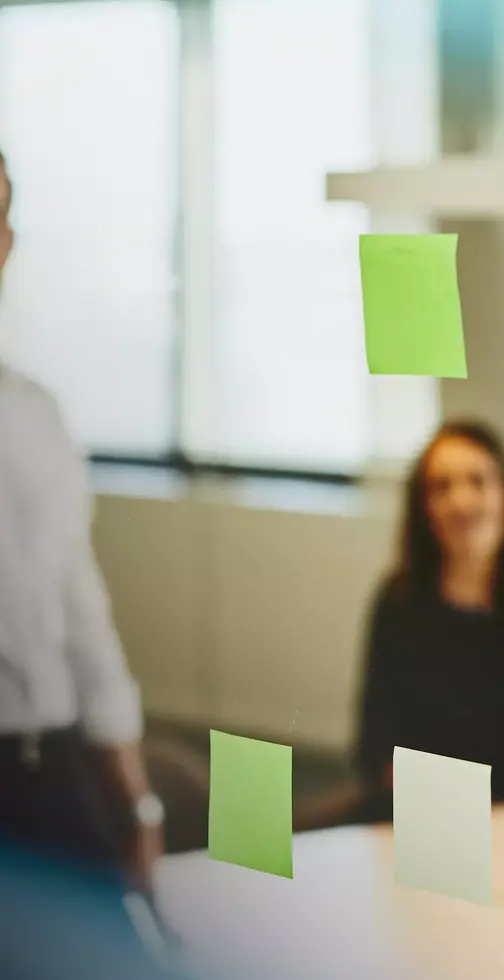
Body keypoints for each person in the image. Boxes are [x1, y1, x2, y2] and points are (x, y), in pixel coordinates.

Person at [309, 420, 504, 827]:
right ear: (424, 509)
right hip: (425, 826)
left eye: (478, 481)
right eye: (441, 487)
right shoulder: (399, 601)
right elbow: (374, 746)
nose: (461, 502)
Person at [0, 149, 164, 893]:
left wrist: (135, 798)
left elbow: (80, 611)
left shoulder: (34, 413)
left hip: (45, 765)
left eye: (2, 213)